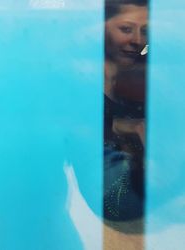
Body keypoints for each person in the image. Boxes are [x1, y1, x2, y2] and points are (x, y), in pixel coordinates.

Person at [103, 0, 148, 225]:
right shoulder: (78, 84)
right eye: (126, 29)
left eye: (145, 31)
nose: (138, 40)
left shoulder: (136, 78)